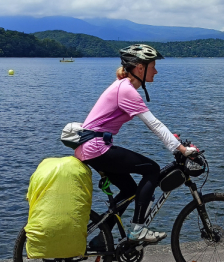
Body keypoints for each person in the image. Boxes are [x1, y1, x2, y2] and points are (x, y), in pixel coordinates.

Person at [75, 44, 198, 243]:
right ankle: (139, 229)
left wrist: (172, 139)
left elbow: (155, 127)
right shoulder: (126, 90)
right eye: (153, 66)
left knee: (130, 190)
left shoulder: (122, 87)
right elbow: (154, 124)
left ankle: (101, 237)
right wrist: (181, 149)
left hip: (90, 148)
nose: (156, 71)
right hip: (97, 148)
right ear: (140, 67)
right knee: (152, 170)